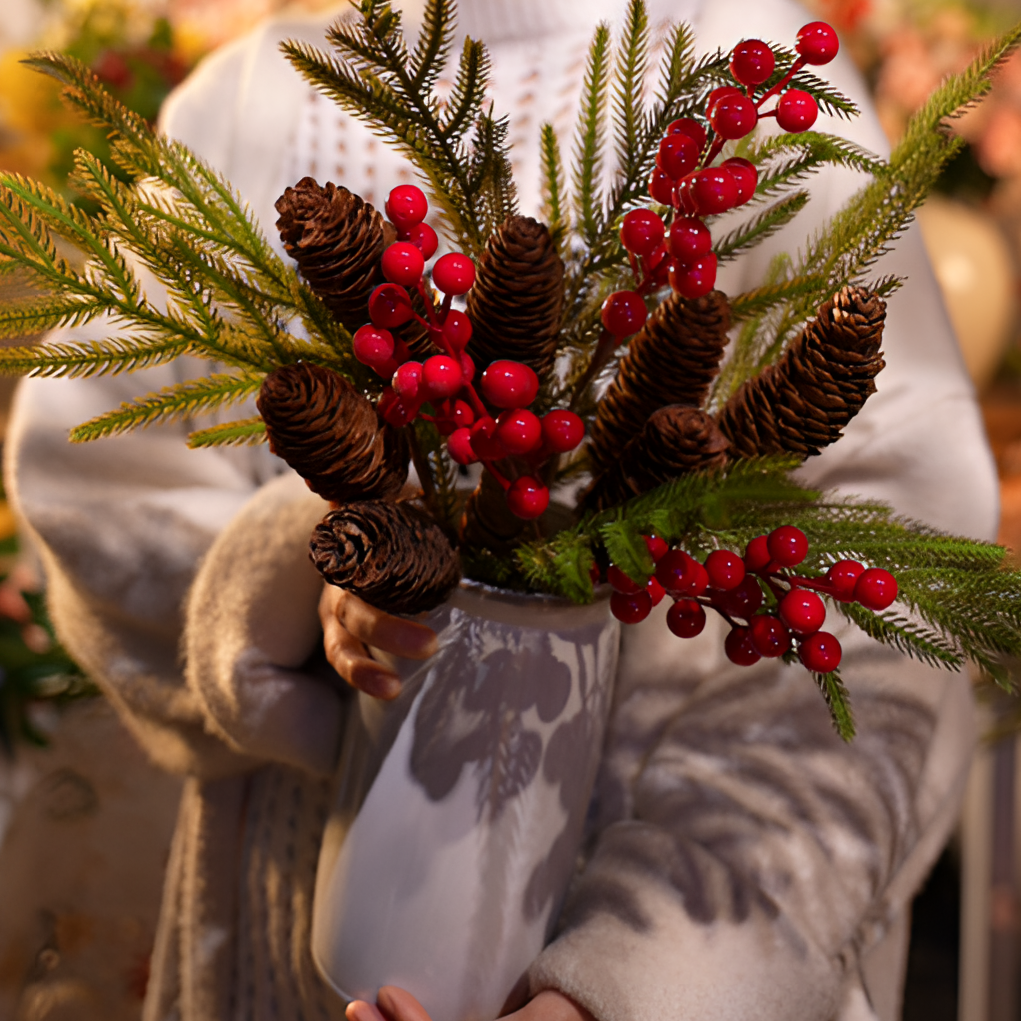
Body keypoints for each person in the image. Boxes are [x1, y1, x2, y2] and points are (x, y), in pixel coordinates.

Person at [3, 0, 998, 1018]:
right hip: (284, 924)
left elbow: (886, 611)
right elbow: (98, 487)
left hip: (656, 925)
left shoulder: (749, 81)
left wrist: (636, 983)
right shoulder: (248, 101)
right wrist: (315, 575)